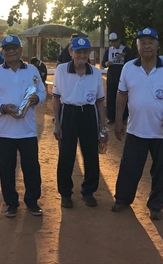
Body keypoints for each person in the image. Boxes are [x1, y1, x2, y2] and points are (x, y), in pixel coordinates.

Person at [112, 28, 163, 221]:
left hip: (162, 131)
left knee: (161, 171)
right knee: (129, 167)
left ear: (157, 45)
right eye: (142, 42)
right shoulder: (128, 68)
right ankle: (123, 199)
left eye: (151, 42)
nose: (147, 46)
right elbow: (121, 95)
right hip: (136, 129)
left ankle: (156, 205)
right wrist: (119, 121)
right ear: (137, 46)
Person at [0, 35, 46, 217]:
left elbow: (42, 92)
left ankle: (32, 201)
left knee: (31, 167)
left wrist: (37, 99)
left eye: (15, 48)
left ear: (21, 50)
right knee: (6, 169)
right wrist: (2, 108)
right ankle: (11, 203)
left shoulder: (32, 70)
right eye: (7, 48)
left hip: (27, 130)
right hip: (4, 130)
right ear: (2, 52)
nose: (11, 51)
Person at [52, 36, 107, 208]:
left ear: (90, 53)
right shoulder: (61, 70)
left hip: (88, 113)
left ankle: (88, 191)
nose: (82, 55)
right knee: (66, 155)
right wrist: (57, 123)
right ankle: (65, 193)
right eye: (78, 51)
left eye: (85, 51)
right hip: (68, 112)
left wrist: (102, 125)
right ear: (71, 52)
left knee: (91, 154)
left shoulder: (95, 73)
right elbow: (56, 98)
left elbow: (99, 101)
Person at [101, 32, 134, 124]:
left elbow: (132, 61)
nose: (113, 44)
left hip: (123, 77)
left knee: (124, 97)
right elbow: (103, 63)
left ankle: (124, 116)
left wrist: (124, 55)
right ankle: (111, 117)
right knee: (110, 97)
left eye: (115, 41)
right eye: (111, 42)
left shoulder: (126, 50)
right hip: (112, 77)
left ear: (119, 40)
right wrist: (107, 63)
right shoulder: (108, 51)